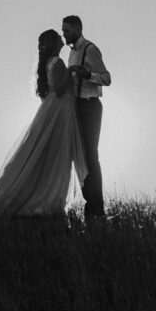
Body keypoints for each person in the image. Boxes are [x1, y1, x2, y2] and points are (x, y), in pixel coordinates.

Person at [0, 30, 87, 218]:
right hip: (60, 112)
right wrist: (71, 71)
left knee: (52, 156)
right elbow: (61, 90)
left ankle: (51, 198)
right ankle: (50, 199)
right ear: (54, 43)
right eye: (58, 37)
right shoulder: (58, 62)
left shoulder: (48, 63)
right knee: (58, 156)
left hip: (57, 111)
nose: (62, 39)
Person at [62, 15, 111, 219]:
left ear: (78, 29)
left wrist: (87, 75)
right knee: (80, 155)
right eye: (63, 31)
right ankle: (88, 202)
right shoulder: (71, 54)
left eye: (67, 30)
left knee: (91, 155)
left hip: (90, 107)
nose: (64, 34)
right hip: (76, 107)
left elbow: (107, 78)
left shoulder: (90, 49)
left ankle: (96, 207)